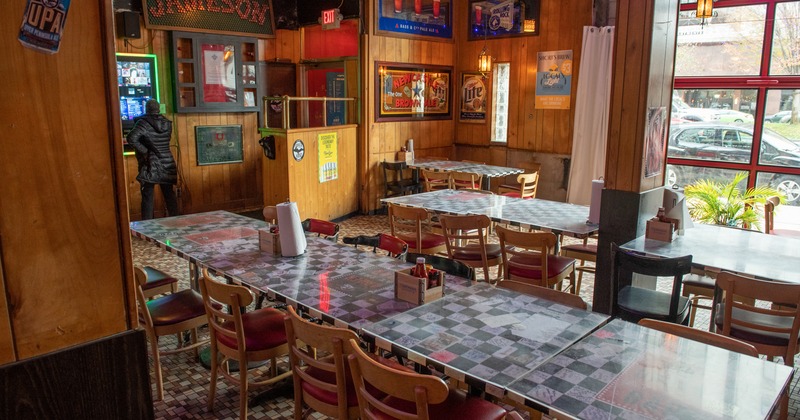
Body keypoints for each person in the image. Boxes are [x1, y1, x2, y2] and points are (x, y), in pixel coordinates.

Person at [126, 99, 179, 219]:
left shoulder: (143, 123)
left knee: (147, 195)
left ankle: (147, 225)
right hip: (167, 160)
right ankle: (177, 221)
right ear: (158, 109)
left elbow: (131, 138)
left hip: (151, 162)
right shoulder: (167, 123)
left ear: (146, 109)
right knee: (169, 194)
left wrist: (145, 152)